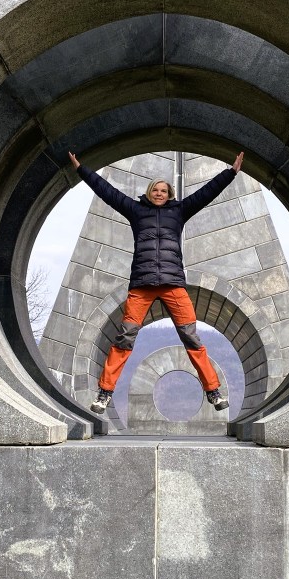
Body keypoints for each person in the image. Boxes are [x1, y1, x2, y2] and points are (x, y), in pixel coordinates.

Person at [68, 150, 245, 415]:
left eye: (164, 190)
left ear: (169, 194)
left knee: (191, 337)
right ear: (149, 192)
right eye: (155, 190)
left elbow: (206, 193)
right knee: (124, 338)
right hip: (141, 286)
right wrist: (82, 169)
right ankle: (104, 394)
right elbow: (107, 191)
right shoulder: (136, 211)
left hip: (173, 284)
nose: (159, 193)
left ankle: (213, 392)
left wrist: (230, 172)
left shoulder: (180, 211)